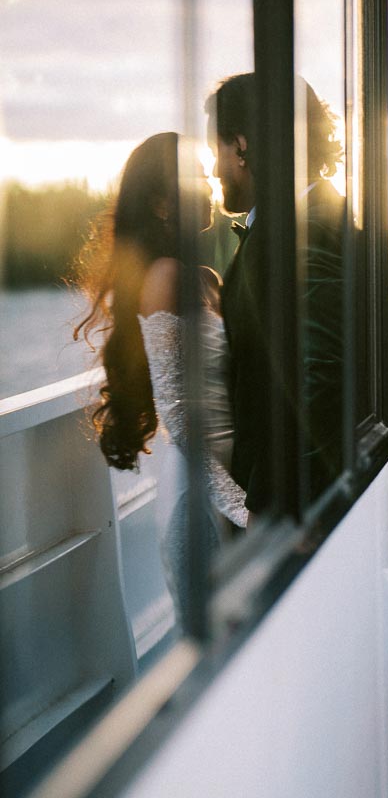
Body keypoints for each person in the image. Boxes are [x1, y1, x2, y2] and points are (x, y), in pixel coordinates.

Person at [74, 132, 247, 621]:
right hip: (201, 500)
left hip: (233, 482)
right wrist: (244, 509)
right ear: (162, 204)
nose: (210, 182)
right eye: (194, 175)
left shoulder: (207, 278)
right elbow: (178, 415)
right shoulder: (164, 278)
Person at [207, 72, 346, 518]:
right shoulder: (319, 217)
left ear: (243, 146)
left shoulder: (308, 233)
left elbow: (320, 381)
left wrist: (275, 509)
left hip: (288, 507)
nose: (214, 169)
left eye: (216, 151)